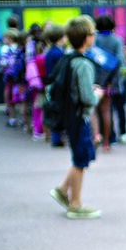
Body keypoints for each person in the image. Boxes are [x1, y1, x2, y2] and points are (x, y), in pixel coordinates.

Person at [48, 16, 102, 220]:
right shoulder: (84, 64)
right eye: (92, 33)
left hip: (69, 115)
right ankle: (75, 204)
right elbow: (87, 97)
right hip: (80, 116)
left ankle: (63, 190)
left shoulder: (67, 58)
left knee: (81, 157)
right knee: (80, 160)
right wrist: (98, 94)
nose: (94, 36)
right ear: (86, 38)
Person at [93, 14, 124, 152]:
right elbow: (120, 61)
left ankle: (96, 136)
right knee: (107, 111)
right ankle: (108, 141)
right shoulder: (117, 40)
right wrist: (115, 82)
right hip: (109, 81)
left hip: (94, 81)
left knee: (94, 110)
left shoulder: (94, 40)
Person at [43, 25, 67, 147]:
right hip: (58, 85)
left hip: (51, 84)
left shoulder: (49, 52)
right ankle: (57, 138)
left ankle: (55, 136)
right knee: (58, 110)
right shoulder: (58, 53)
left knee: (54, 109)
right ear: (60, 38)